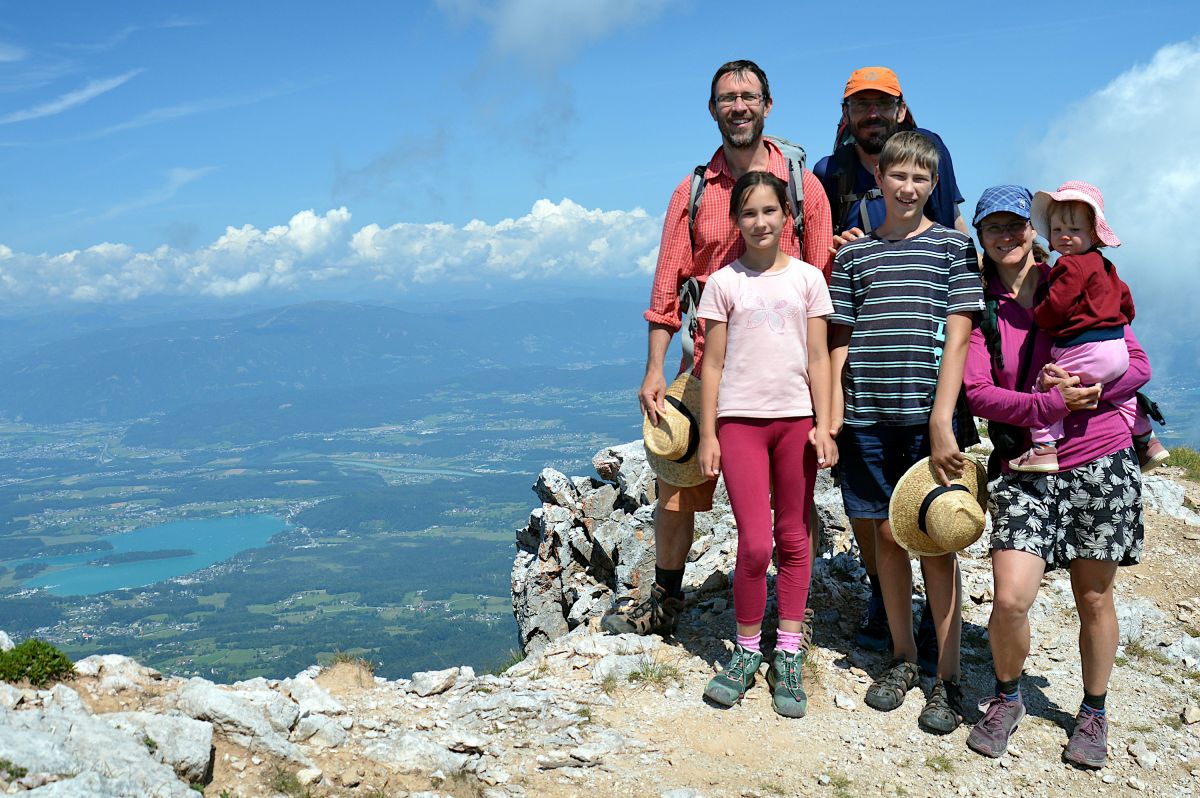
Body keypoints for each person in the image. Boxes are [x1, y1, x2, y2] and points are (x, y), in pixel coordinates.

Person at [602, 60, 833, 637]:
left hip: (787, 372)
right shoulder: (694, 191)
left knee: (791, 500)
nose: (739, 107)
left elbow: (824, 277)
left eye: (748, 97)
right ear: (713, 110)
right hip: (708, 363)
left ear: (768, 105)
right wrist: (654, 368)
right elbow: (667, 286)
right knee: (678, 488)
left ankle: (790, 613)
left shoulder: (804, 189)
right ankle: (667, 598)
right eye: (727, 99)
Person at [963, 185, 1150, 768]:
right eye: (992, 228)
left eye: (1015, 225)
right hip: (1025, 466)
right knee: (1012, 599)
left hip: (1101, 456)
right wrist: (1045, 409)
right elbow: (977, 393)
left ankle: (1093, 711)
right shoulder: (980, 306)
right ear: (981, 239)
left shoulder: (1075, 276)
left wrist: (1098, 390)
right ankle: (1007, 697)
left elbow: (1136, 362)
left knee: (1094, 599)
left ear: (1032, 230)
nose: (1006, 236)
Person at [829, 131, 983, 735]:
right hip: (865, 416)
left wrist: (943, 421)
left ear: (935, 184)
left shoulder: (952, 247)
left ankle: (945, 678)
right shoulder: (854, 257)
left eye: (923, 178)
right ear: (881, 181)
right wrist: (833, 414)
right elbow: (840, 337)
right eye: (900, 176)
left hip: (926, 420)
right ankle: (901, 658)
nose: (910, 187)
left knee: (938, 546)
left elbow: (961, 335)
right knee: (889, 541)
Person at [814, 66, 970, 658]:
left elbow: (950, 217)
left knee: (931, 514)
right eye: (862, 106)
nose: (872, 114)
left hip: (920, 377)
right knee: (874, 516)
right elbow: (820, 245)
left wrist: (962, 268)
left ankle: (937, 632)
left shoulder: (930, 154)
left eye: (882, 105)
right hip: (866, 384)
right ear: (848, 113)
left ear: (901, 109)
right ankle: (887, 599)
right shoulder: (828, 172)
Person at [694, 170, 836, 717]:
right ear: (736, 222)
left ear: (787, 218)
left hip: (797, 421)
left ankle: (789, 650)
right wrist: (708, 433)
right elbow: (712, 363)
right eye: (748, 213)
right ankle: (748, 650)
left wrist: (824, 426)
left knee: (795, 538)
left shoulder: (807, 280)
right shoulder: (723, 283)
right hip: (739, 424)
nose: (760, 222)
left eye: (769, 211)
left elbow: (819, 357)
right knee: (755, 544)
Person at [1006, 181, 1168, 473]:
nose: (1065, 237)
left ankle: (1043, 448)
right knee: (1120, 392)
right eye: (1057, 231)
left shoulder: (1069, 266)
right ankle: (1147, 439)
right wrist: (1118, 321)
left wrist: (1040, 316)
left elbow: (1057, 306)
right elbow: (1126, 300)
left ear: (1092, 234)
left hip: (1085, 348)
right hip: (1117, 348)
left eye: (1074, 230)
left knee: (1047, 385)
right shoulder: (1106, 266)